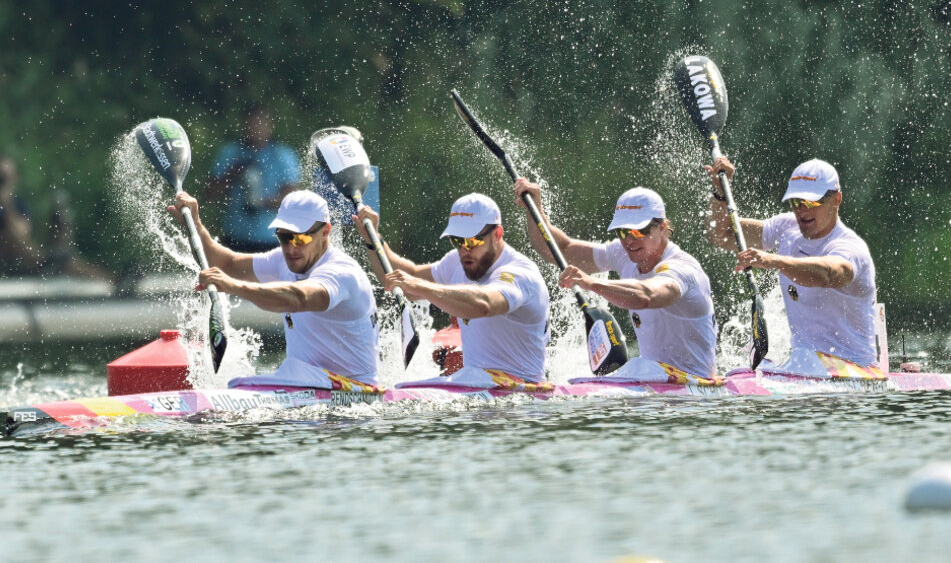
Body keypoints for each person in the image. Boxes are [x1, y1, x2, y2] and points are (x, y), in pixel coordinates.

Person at [169, 189, 380, 385]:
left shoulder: (342, 272)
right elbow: (226, 264)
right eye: (283, 237)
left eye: (299, 238)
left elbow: (298, 298)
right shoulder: (282, 260)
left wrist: (233, 286)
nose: (290, 248)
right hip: (306, 382)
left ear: (325, 231)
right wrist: (194, 224)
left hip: (353, 389)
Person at [513, 179, 718, 380]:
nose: (629, 241)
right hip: (653, 384)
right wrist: (535, 209)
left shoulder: (682, 268)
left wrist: (591, 283)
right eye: (622, 232)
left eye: (639, 231)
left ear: (662, 227)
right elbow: (560, 250)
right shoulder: (621, 253)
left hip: (694, 387)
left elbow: (647, 296)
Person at [706, 157, 877, 374]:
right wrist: (720, 192)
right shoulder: (785, 227)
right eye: (796, 202)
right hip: (804, 366)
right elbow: (721, 234)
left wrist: (773, 260)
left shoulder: (850, 247)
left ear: (837, 199)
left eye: (811, 203)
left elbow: (829, 274)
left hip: (853, 369)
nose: (802, 211)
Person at [354, 193, 550, 383]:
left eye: (473, 241)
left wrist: (421, 287)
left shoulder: (520, 273)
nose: (464, 250)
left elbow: (485, 304)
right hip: (477, 386)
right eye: (457, 240)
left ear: (497, 234)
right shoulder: (458, 262)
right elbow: (404, 279)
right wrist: (373, 239)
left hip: (522, 395)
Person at [0, 155, 112, 282]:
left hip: (23, 260)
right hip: (16, 260)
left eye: (3, 179)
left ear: (14, 179)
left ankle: (113, 280)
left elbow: (22, 233)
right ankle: (49, 261)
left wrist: (6, 203)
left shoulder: (17, 205)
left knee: (68, 264)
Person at [206, 104, 301, 252]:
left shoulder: (282, 155)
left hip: (272, 240)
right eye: (251, 124)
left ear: (270, 126)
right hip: (235, 237)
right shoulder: (231, 152)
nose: (255, 129)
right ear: (244, 125)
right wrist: (232, 174)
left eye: (260, 124)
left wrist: (260, 202)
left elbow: (291, 202)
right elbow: (210, 195)